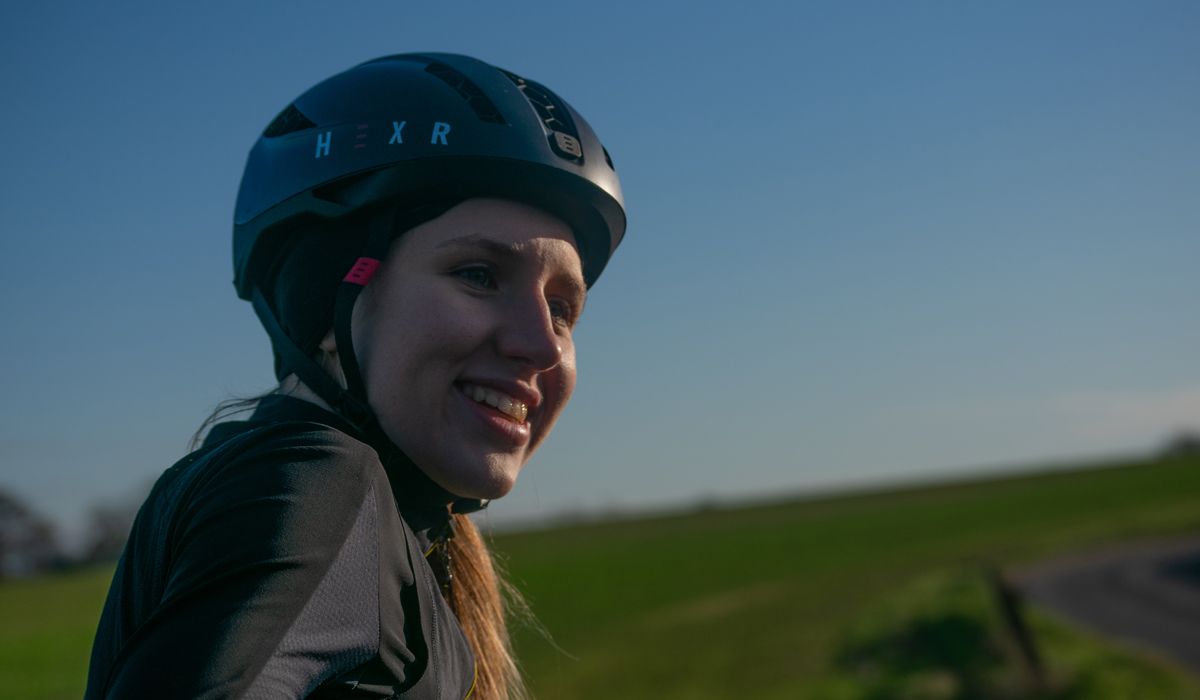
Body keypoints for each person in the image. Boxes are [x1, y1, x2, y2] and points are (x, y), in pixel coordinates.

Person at [84, 52, 626, 700]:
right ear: (324, 300)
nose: (541, 344)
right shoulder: (317, 486)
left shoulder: (371, 522)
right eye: (478, 275)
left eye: (563, 310)